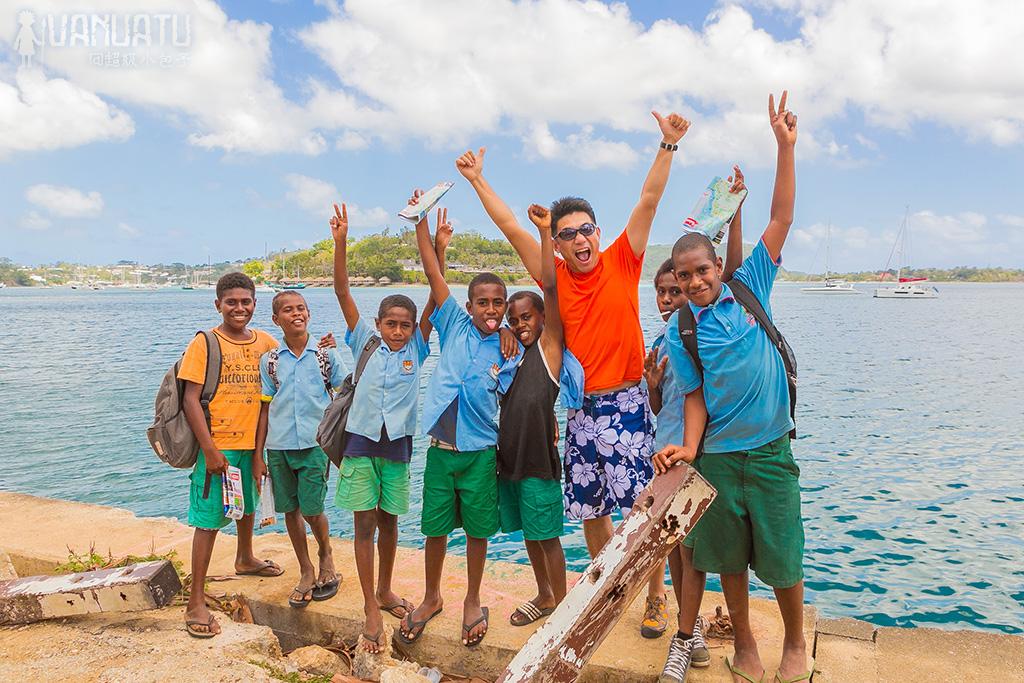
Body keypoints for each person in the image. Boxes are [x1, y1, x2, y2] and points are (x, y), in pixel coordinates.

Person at [456, 109, 690, 637]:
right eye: (568, 234)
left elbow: (648, 200)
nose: (580, 239)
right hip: (583, 411)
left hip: (628, 404)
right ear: (558, 244)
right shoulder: (554, 278)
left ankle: (655, 597)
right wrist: (477, 181)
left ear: (597, 232)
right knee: (592, 509)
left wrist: (667, 144)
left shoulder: (623, 259)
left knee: (645, 509)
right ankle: (609, 583)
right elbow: (511, 226)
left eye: (586, 230)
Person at [654, 91, 809, 683]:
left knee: (784, 556)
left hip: (770, 451)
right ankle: (743, 641)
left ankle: (794, 642)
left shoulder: (750, 289)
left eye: (702, 272)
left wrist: (784, 146)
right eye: (684, 277)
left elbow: (782, 218)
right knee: (730, 563)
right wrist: (691, 450)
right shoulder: (682, 331)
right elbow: (693, 397)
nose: (694, 283)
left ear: (719, 266)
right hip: (717, 456)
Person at [399, 197, 520, 648]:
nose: (490, 310)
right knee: (433, 529)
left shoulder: (509, 348)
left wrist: (509, 333)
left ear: (505, 307)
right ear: (467, 306)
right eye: (482, 303)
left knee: (477, 531)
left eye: (498, 304)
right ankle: (431, 597)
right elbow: (433, 272)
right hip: (441, 452)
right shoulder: (452, 324)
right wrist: (421, 221)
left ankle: (472, 598)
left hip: (480, 453)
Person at [644, 169, 746, 678]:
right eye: (663, 291)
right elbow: (665, 399)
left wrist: (733, 211)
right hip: (667, 448)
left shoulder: (701, 327)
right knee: (673, 546)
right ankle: (695, 629)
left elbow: (702, 395)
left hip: (697, 447)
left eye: (675, 289)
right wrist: (653, 382)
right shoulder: (665, 338)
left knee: (693, 548)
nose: (669, 299)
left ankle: (688, 634)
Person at [329, 198, 438, 654]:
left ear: (414, 329)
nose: (397, 331)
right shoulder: (363, 342)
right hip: (359, 445)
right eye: (391, 323)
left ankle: (386, 588)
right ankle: (372, 608)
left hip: (397, 447)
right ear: (378, 324)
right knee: (364, 526)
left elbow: (437, 294)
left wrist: (434, 240)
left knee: (391, 523)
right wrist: (341, 243)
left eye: (405, 325)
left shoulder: (418, 348)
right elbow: (341, 292)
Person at [178, 272, 281, 638]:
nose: (239, 308)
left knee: (248, 505)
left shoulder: (266, 343)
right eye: (231, 302)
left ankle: (245, 557)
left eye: (246, 302)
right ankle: (195, 600)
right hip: (216, 444)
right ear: (218, 304)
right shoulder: (205, 343)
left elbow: (272, 394)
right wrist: (210, 449)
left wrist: (258, 452)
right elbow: (190, 398)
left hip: (250, 444)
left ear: (255, 304)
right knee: (208, 520)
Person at [499, 204, 582, 627]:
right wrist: (502, 330)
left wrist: (546, 233)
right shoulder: (511, 354)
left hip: (539, 464)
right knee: (531, 536)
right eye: (513, 320)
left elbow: (550, 286)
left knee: (548, 537)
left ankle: (562, 606)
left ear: (544, 319)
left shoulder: (550, 350)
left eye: (526, 317)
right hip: (509, 461)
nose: (519, 324)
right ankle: (545, 595)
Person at [256, 290, 345, 611]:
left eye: (302, 308)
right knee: (289, 510)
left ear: (308, 314)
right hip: (278, 446)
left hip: (315, 445)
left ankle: (325, 553)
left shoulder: (325, 356)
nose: (297, 314)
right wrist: (258, 456)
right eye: (289, 310)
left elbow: (345, 393)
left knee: (311, 509)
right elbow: (264, 409)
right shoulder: (270, 361)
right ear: (275, 319)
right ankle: (306, 568)